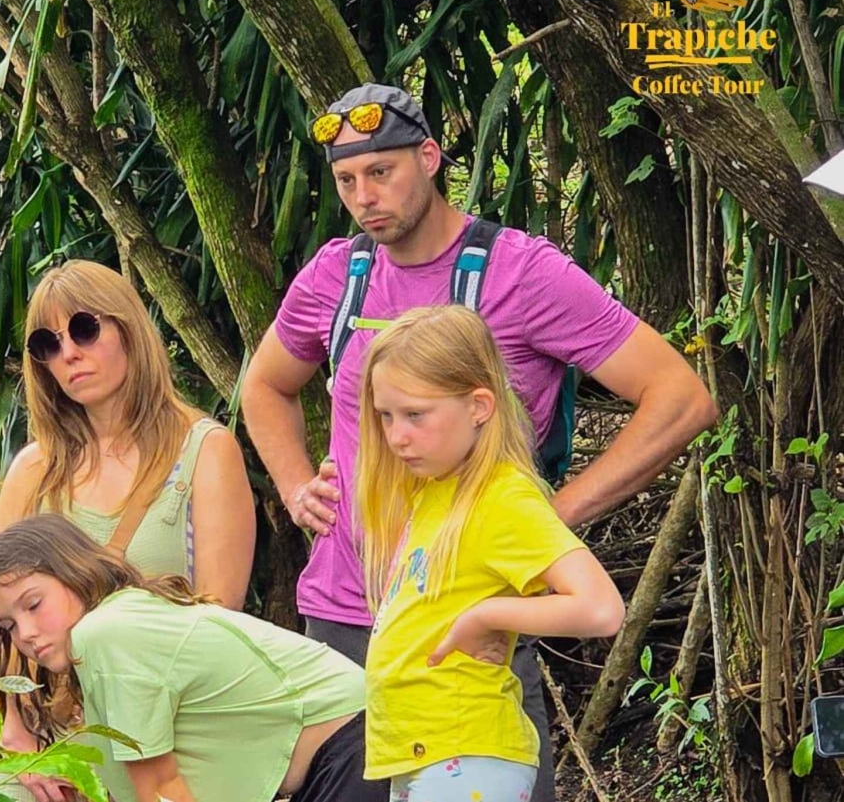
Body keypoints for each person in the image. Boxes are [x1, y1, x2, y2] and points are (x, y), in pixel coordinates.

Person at [240, 83, 717, 802]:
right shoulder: (340, 273)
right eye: (346, 180)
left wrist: (547, 518)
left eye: (382, 171)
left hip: (473, 626)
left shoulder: (522, 270)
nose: (364, 195)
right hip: (341, 612)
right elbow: (264, 385)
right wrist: (293, 483)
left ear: (430, 158)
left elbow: (680, 397)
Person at [0, 260, 255, 801]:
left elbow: (218, 621)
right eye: (47, 344)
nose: (69, 354)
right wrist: (13, 729)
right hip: (49, 736)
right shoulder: (33, 472)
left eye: (84, 329)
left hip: (166, 733)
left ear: (128, 327)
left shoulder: (204, 450)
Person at [356, 306, 625, 800]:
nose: (396, 436)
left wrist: (484, 616)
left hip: (467, 754)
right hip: (425, 755)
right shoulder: (435, 491)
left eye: (415, 414)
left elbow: (602, 608)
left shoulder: (500, 497)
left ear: (479, 406)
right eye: (385, 416)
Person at [0, 514, 366, 802]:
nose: (25, 633)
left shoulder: (106, 633)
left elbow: (161, 789)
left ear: (74, 572)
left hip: (350, 750)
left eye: (34, 604)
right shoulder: (117, 626)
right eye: (9, 625)